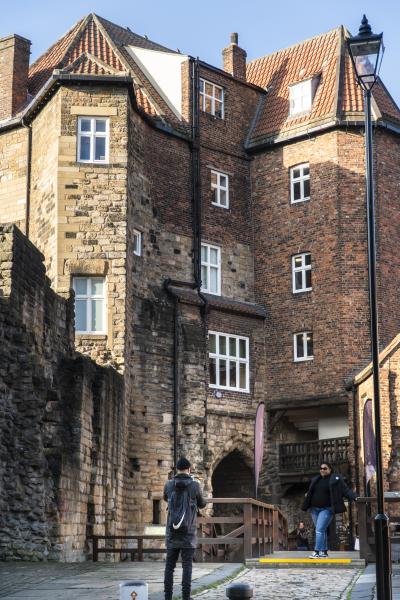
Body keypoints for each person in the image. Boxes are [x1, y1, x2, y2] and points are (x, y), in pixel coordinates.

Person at [163, 457, 206, 600]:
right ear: (189, 469)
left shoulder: (169, 485)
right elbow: (202, 504)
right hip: (188, 532)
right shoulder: (194, 485)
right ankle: (186, 597)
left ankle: (167, 597)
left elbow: (165, 498)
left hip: (172, 532)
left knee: (169, 567)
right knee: (187, 566)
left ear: (177, 470)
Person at [302, 462, 357, 558]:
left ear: (330, 469)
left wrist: (355, 497)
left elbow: (345, 490)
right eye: (321, 468)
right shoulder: (316, 479)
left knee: (319, 530)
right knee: (321, 530)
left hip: (327, 509)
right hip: (314, 509)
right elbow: (311, 491)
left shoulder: (335, 479)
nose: (322, 470)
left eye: (325, 468)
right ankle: (323, 552)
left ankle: (316, 551)